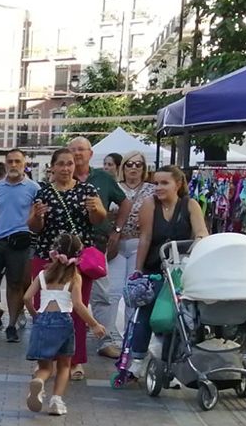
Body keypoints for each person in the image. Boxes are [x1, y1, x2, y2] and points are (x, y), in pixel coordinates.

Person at [28, 147, 106, 379]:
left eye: (69, 163)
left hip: (77, 261)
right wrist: (38, 216)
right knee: (47, 309)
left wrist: (95, 210)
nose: (65, 168)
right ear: (52, 166)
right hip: (47, 258)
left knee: (76, 309)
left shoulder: (87, 189)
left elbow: (98, 220)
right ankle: (46, 360)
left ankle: (75, 361)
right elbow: (34, 227)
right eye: (61, 164)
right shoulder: (43, 191)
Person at [126, 165, 209, 375]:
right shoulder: (149, 204)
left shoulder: (190, 205)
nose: (158, 188)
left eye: (164, 183)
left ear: (178, 184)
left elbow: (201, 232)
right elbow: (145, 237)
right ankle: (137, 360)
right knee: (146, 312)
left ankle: (170, 359)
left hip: (181, 267)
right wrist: (138, 270)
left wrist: (196, 246)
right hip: (155, 265)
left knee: (177, 314)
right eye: (156, 183)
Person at [23, 234, 106, 416]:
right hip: (63, 322)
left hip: (42, 320)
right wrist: (94, 324)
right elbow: (78, 305)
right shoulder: (74, 277)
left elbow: (27, 298)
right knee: (64, 366)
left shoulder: (43, 274)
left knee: (45, 367)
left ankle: (39, 381)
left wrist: (35, 315)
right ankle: (56, 401)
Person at [67, 137, 131, 371]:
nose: (76, 154)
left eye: (81, 150)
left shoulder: (103, 178)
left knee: (101, 292)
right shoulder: (64, 177)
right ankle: (69, 344)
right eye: (72, 150)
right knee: (70, 295)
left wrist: (117, 230)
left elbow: (125, 202)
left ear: (90, 153)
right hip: (69, 246)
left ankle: (104, 340)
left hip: (96, 245)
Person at [0, 148, 39, 343]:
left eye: (17, 161)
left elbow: (36, 216)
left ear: (24, 164)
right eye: (10, 161)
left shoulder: (33, 188)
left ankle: (11, 325)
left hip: (20, 242)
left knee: (15, 284)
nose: (13, 165)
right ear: (5, 164)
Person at [101, 151, 156, 358]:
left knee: (133, 291)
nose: (134, 168)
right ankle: (111, 336)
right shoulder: (114, 188)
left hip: (138, 243)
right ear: (122, 167)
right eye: (129, 164)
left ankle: (132, 336)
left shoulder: (151, 190)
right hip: (116, 244)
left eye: (138, 165)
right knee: (112, 291)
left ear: (144, 168)